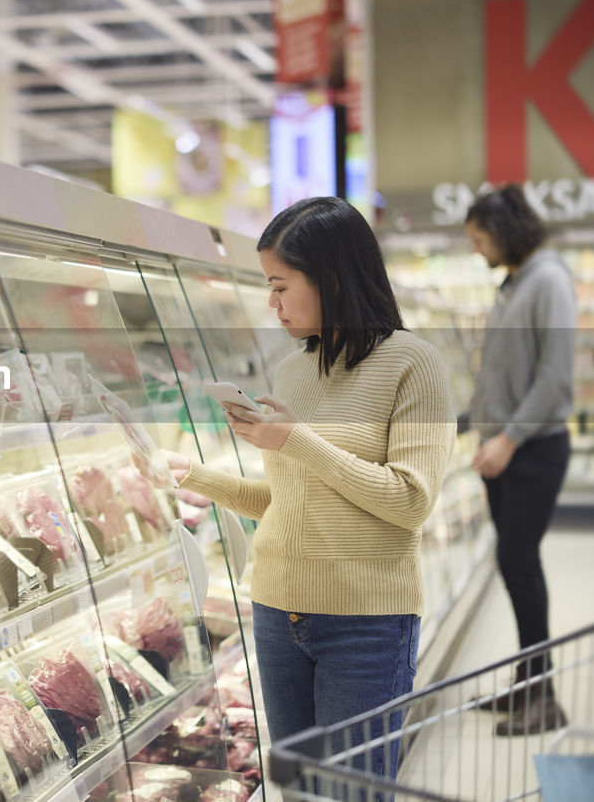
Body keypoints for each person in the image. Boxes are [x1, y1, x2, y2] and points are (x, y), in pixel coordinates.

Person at [135, 196, 454, 778]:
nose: (271, 303)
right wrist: (194, 475)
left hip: (365, 622)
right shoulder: (293, 371)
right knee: (296, 787)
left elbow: (410, 501)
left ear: (331, 278)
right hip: (278, 613)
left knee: (353, 793)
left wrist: (296, 439)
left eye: (281, 285)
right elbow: (289, 501)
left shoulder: (413, 364)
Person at [465, 184, 576, 737]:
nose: (478, 250)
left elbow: (554, 380)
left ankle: (545, 697)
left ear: (505, 231)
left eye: (480, 237)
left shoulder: (549, 282)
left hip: (533, 450)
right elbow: (503, 373)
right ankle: (528, 681)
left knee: (521, 565)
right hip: (508, 449)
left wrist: (507, 438)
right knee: (513, 566)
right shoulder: (513, 284)